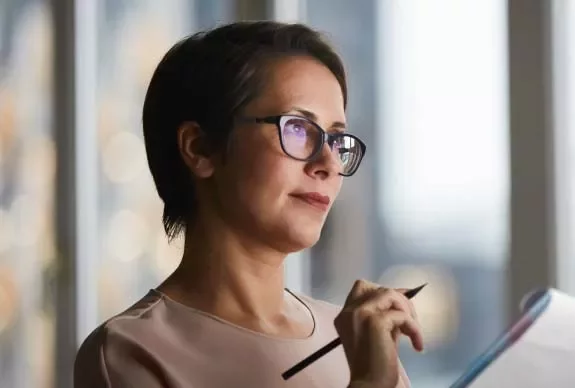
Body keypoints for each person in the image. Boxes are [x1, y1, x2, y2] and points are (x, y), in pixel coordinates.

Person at [74, 21, 423, 388]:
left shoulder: (357, 343)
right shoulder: (129, 354)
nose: (329, 163)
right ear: (200, 148)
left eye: (336, 140)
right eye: (297, 129)